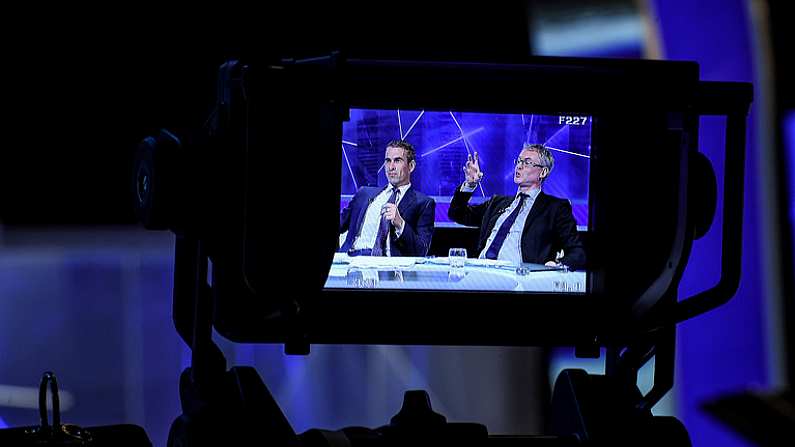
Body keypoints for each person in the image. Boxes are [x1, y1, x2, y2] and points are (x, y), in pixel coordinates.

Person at [448, 143, 586, 270]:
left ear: (543, 172)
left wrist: (556, 265)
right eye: (519, 161)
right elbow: (457, 214)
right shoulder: (498, 202)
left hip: (521, 277)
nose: (519, 166)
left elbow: (577, 253)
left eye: (527, 163)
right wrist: (470, 184)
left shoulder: (555, 208)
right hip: (482, 270)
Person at [339, 140, 436, 257]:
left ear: (411, 166)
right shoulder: (364, 193)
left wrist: (400, 223)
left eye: (397, 161)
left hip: (388, 266)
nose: (391, 167)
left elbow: (421, 251)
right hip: (352, 260)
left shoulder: (424, 203)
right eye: (388, 161)